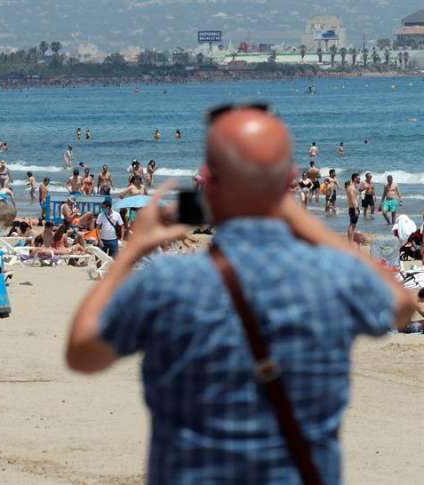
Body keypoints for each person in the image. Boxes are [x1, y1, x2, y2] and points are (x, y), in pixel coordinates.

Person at [65, 106, 415, 484]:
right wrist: (300, 219)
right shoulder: (333, 278)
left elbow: (83, 352)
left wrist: (133, 249)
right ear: (291, 181)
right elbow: (401, 305)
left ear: (208, 185)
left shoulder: (167, 283)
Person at [346, 173, 360, 244]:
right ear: (354, 179)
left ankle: (350, 241)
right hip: (353, 208)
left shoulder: (353, 187)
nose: (359, 179)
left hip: (353, 207)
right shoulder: (351, 187)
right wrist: (356, 209)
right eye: (358, 178)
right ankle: (350, 242)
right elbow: (352, 198)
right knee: (352, 225)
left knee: (353, 225)